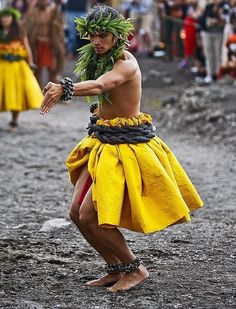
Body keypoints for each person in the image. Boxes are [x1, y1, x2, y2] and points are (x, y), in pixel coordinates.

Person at [40, 5, 203, 292]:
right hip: (103, 142)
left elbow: (104, 84)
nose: (97, 41)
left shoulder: (126, 63)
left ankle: (135, 268)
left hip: (126, 147)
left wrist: (65, 88)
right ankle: (115, 268)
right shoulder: (100, 58)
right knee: (76, 214)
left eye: (103, 35)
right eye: (92, 36)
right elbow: (102, 91)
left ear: (118, 36)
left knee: (91, 215)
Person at [0, 7, 43, 130]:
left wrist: (30, 62)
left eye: (7, 17)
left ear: (13, 19)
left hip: (17, 67)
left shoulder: (18, 31)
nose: (5, 20)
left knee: (16, 94)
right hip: (1, 65)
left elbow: (27, 47)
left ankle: (14, 121)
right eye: (3, 17)